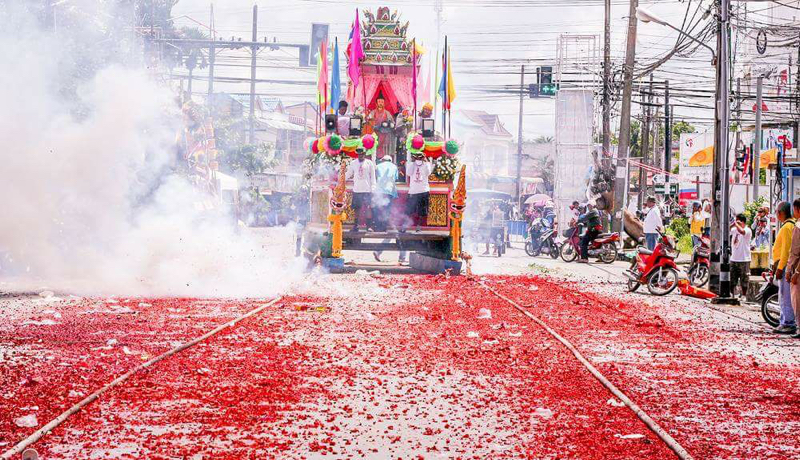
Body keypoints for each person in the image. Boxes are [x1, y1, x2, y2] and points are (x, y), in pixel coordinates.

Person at [771, 201, 796, 335]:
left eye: (777, 212)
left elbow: (786, 250)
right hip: (785, 265)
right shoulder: (790, 226)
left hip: (785, 265)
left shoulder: (787, 227)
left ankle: (788, 322)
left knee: (785, 296)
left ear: (781, 213)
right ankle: (784, 321)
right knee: (784, 296)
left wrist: (780, 268)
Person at [372, 155, 400, 261]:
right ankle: (385, 226)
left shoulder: (378, 166)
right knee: (387, 210)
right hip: (389, 190)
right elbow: (396, 178)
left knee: (378, 209)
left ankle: (378, 227)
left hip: (379, 190)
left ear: (383, 160)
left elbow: (375, 178)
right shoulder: (394, 167)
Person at [346, 149, 376, 232]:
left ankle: (369, 227)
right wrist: (341, 179)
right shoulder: (353, 163)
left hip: (367, 190)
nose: (360, 156)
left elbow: (373, 177)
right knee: (356, 209)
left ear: (365, 154)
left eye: (362, 154)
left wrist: (373, 188)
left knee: (368, 208)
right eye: (359, 154)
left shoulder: (369, 163)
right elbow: (348, 174)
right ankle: (355, 226)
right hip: (357, 189)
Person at [404, 152, 432, 233]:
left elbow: (428, 173)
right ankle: (405, 226)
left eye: (420, 157)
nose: (418, 159)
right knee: (409, 209)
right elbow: (408, 173)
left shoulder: (426, 164)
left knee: (422, 210)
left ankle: (418, 226)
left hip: (423, 190)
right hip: (413, 191)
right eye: (417, 157)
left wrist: (425, 161)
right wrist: (412, 162)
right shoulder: (411, 164)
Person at [785, 199, 800, 338]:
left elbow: (795, 252)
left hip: (798, 270)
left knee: (797, 300)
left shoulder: (798, 226)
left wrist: (793, 271)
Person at [729, 213, 752, 299]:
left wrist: (737, 224)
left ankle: (744, 295)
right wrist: (733, 224)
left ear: (742, 222)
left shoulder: (748, 230)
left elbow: (742, 232)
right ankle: (732, 294)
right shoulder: (734, 229)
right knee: (732, 278)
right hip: (734, 258)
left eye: (738, 221)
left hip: (744, 258)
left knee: (744, 279)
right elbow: (727, 230)